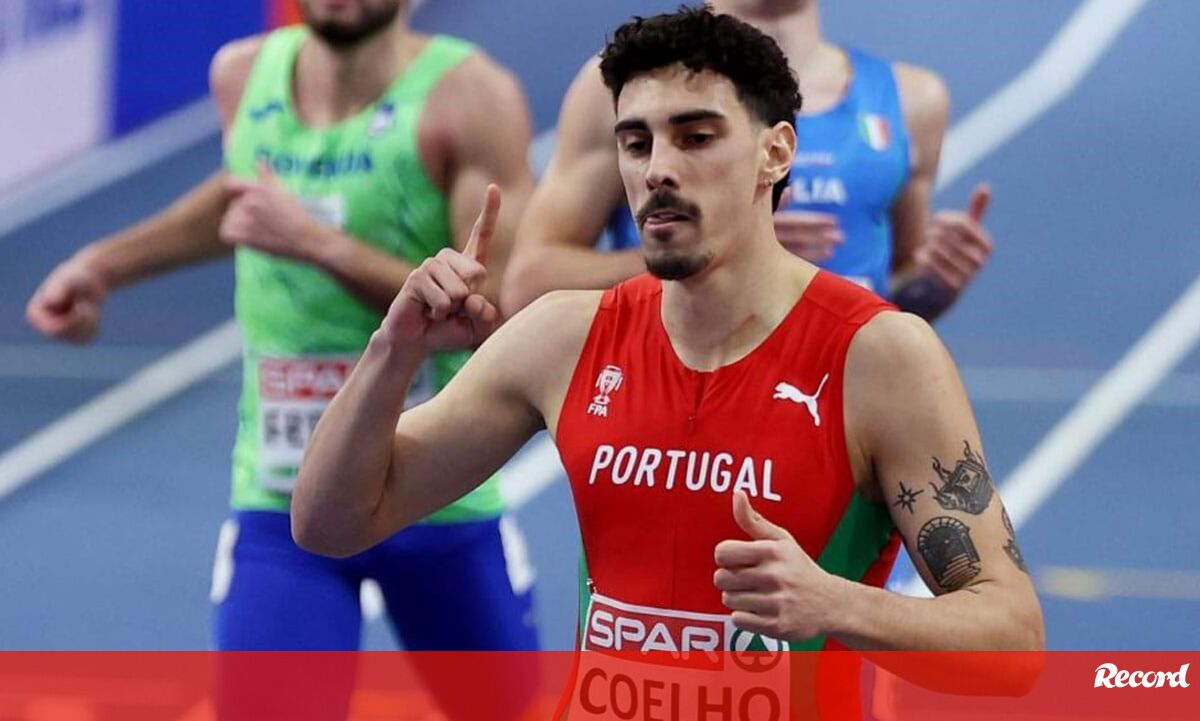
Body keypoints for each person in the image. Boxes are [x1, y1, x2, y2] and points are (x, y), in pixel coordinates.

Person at [294, 6, 1043, 717]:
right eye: (635, 143)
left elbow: (1013, 643)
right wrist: (391, 351)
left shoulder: (878, 357)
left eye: (695, 137)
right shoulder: (565, 337)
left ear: (776, 152)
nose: (657, 168)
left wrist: (834, 603)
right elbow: (329, 522)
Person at [26, 0, 538, 656]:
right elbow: (243, 197)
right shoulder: (241, 76)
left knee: (507, 704)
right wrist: (102, 266)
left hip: (432, 487)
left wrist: (316, 243)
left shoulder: (471, 97)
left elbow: (495, 308)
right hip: (281, 498)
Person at [501, 0, 993, 321]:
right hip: (683, 395)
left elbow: (896, 290)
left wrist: (934, 284)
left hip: (838, 401)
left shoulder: (911, 100)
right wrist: (714, 252)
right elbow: (530, 283)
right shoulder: (627, 87)